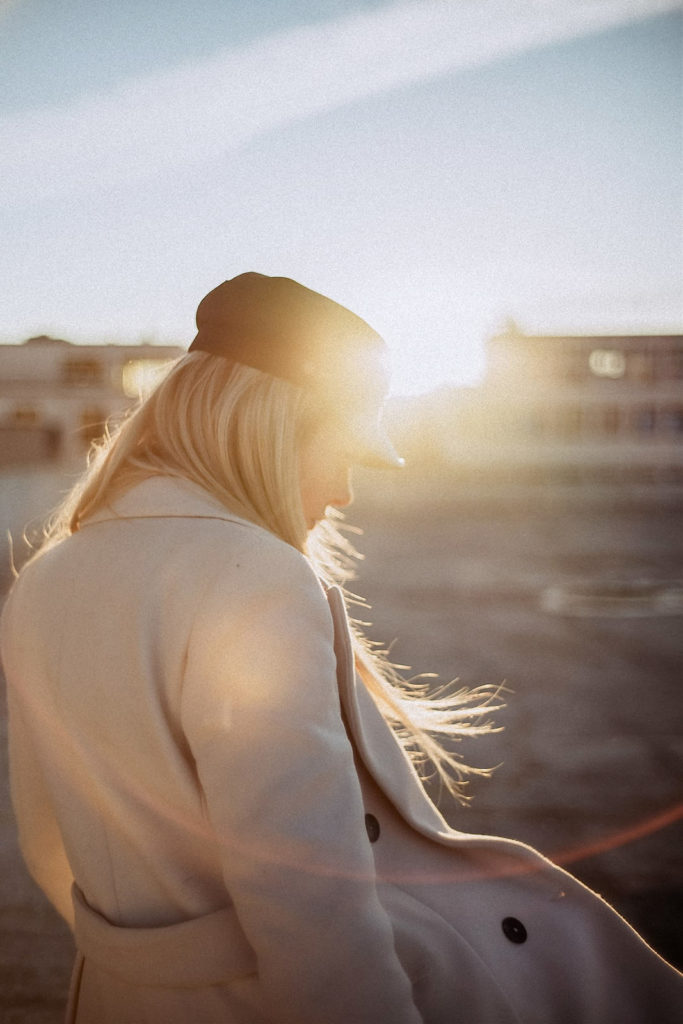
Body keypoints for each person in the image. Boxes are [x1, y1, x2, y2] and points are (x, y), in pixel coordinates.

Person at [1, 272, 681, 1024]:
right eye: (346, 452)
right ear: (276, 426)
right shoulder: (255, 576)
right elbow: (308, 899)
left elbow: (47, 845)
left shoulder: (47, 574)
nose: (346, 492)